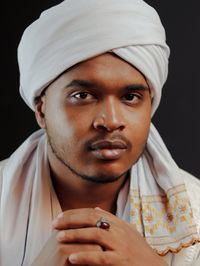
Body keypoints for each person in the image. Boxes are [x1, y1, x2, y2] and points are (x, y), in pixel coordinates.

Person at [0, 0, 200, 265]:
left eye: (130, 97)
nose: (111, 121)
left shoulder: (195, 214)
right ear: (41, 109)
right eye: (82, 96)